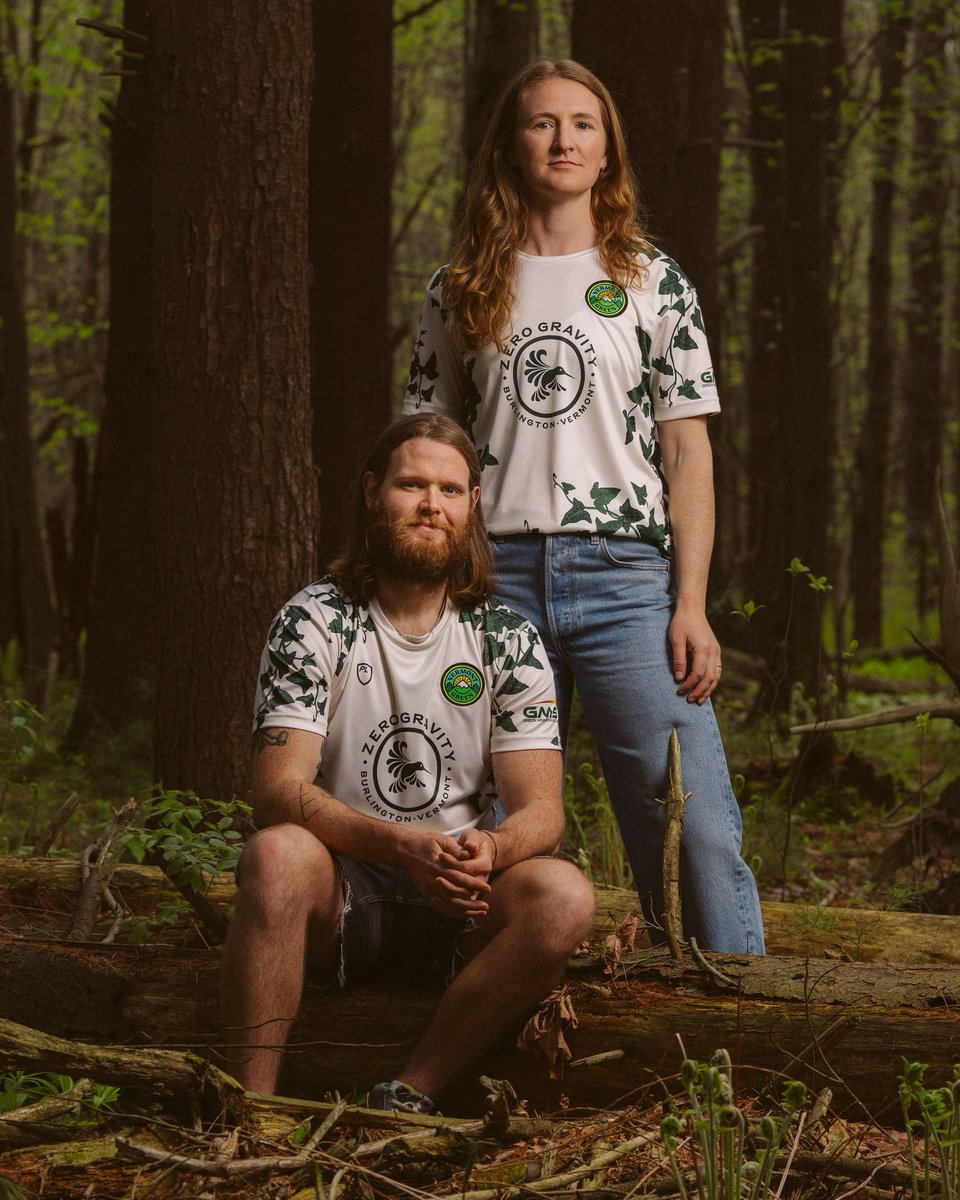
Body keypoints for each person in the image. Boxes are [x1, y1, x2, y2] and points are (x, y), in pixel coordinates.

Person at [403, 58, 764, 955]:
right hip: (492, 584)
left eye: (583, 125)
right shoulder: (458, 288)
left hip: (625, 579)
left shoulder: (651, 282)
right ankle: (464, 1005)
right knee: (474, 811)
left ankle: (735, 1017)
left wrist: (691, 603)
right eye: (541, 124)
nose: (563, 140)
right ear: (510, 147)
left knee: (689, 812)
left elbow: (688, 452)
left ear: (607, 153)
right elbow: (427, 453)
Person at [220, 413, 596, 1112]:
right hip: (342, 887)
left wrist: (491, 847)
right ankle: (252, 1113)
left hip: (460, 895)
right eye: (412, 485)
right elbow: (276, 792)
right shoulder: (315, 622)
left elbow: (543, 810)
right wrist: (401, 845)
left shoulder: (506, 639)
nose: (432, 505)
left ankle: (407, 1093)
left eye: (451, 490)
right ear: (371, 494)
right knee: (274, 854)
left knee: (563, 896)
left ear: (472, 505)